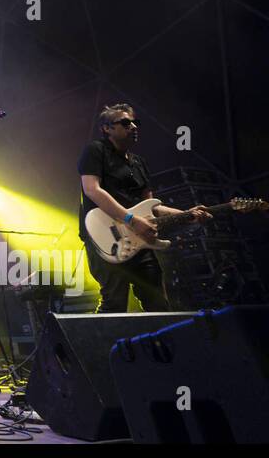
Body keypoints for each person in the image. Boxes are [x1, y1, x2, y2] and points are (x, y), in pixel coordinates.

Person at [78, 104, 209, 312]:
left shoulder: (139, 163)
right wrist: (131, 219)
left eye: (134, 122)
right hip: (105, 235)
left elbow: (152, 207)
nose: (133, 126)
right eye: (125, 123)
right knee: (115, 304)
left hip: (139, 243)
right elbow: (92, 190)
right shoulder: (96, 150)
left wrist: (186, 215)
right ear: (106, 128)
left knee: (158, 303)